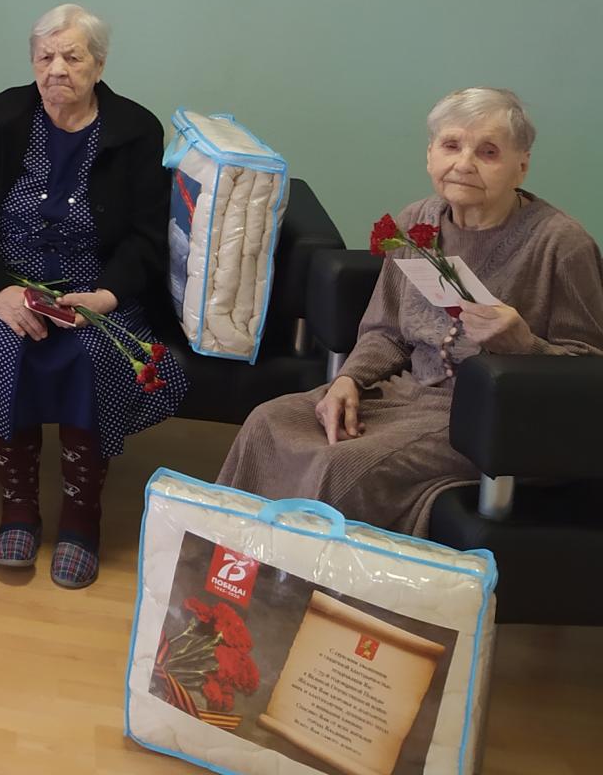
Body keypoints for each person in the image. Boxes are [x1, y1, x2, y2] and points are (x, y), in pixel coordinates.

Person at [219, 88, 603, 535]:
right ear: (430, 154)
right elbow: (385, 330)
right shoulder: (417, 222)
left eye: (489, 152)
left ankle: (304, 578)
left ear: (522, 165)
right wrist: (348, 380)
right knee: (267, 423)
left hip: (486, 422)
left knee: (342, 465)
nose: (464, 164)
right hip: (403, 393)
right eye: (451, 145)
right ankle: (230, 563)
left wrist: (524, 346)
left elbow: (588, 370)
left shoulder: (561, 244)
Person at [0, 4, 186, 589]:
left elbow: (147, 236)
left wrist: (106, 295)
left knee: (93, 355)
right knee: (8, 347)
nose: (57, 69)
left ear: (98, 65)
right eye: (45, 56)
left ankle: (81, 516)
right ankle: (19, 508)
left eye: (72, 57)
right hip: (8, 280)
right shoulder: (0, 116)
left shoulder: (135, 130)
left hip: (96, 286)